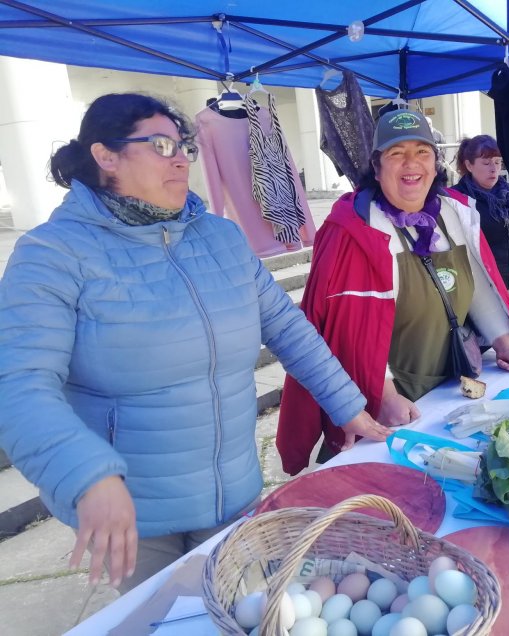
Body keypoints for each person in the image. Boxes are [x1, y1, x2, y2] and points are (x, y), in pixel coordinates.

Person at [0, 93, 389, 593]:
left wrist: (349, 407)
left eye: (182, 144)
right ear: (106, 156)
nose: (181, 156)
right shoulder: (52, 254)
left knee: (244, 611)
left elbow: (288, 329)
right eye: (160, 145)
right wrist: (87, 476)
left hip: (234, 493)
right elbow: (20, 385)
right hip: (135, 515)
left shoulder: (220, 237)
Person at [277, 109, 509, 473]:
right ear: (376, 168)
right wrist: (385, 393)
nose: (412, 164)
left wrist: (503, 341)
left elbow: (476, 283)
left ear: (436, 162)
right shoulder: (354, 230)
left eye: (422, 152)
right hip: (391, 405)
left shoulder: (453, 213)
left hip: (450, 385)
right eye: (397, 154)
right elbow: (345, 331)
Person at [450, 135, 509, 313]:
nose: (494, 169)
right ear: (469, 165)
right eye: (486, 162)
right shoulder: (456, 200)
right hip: (481, 292)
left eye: (498, 162)